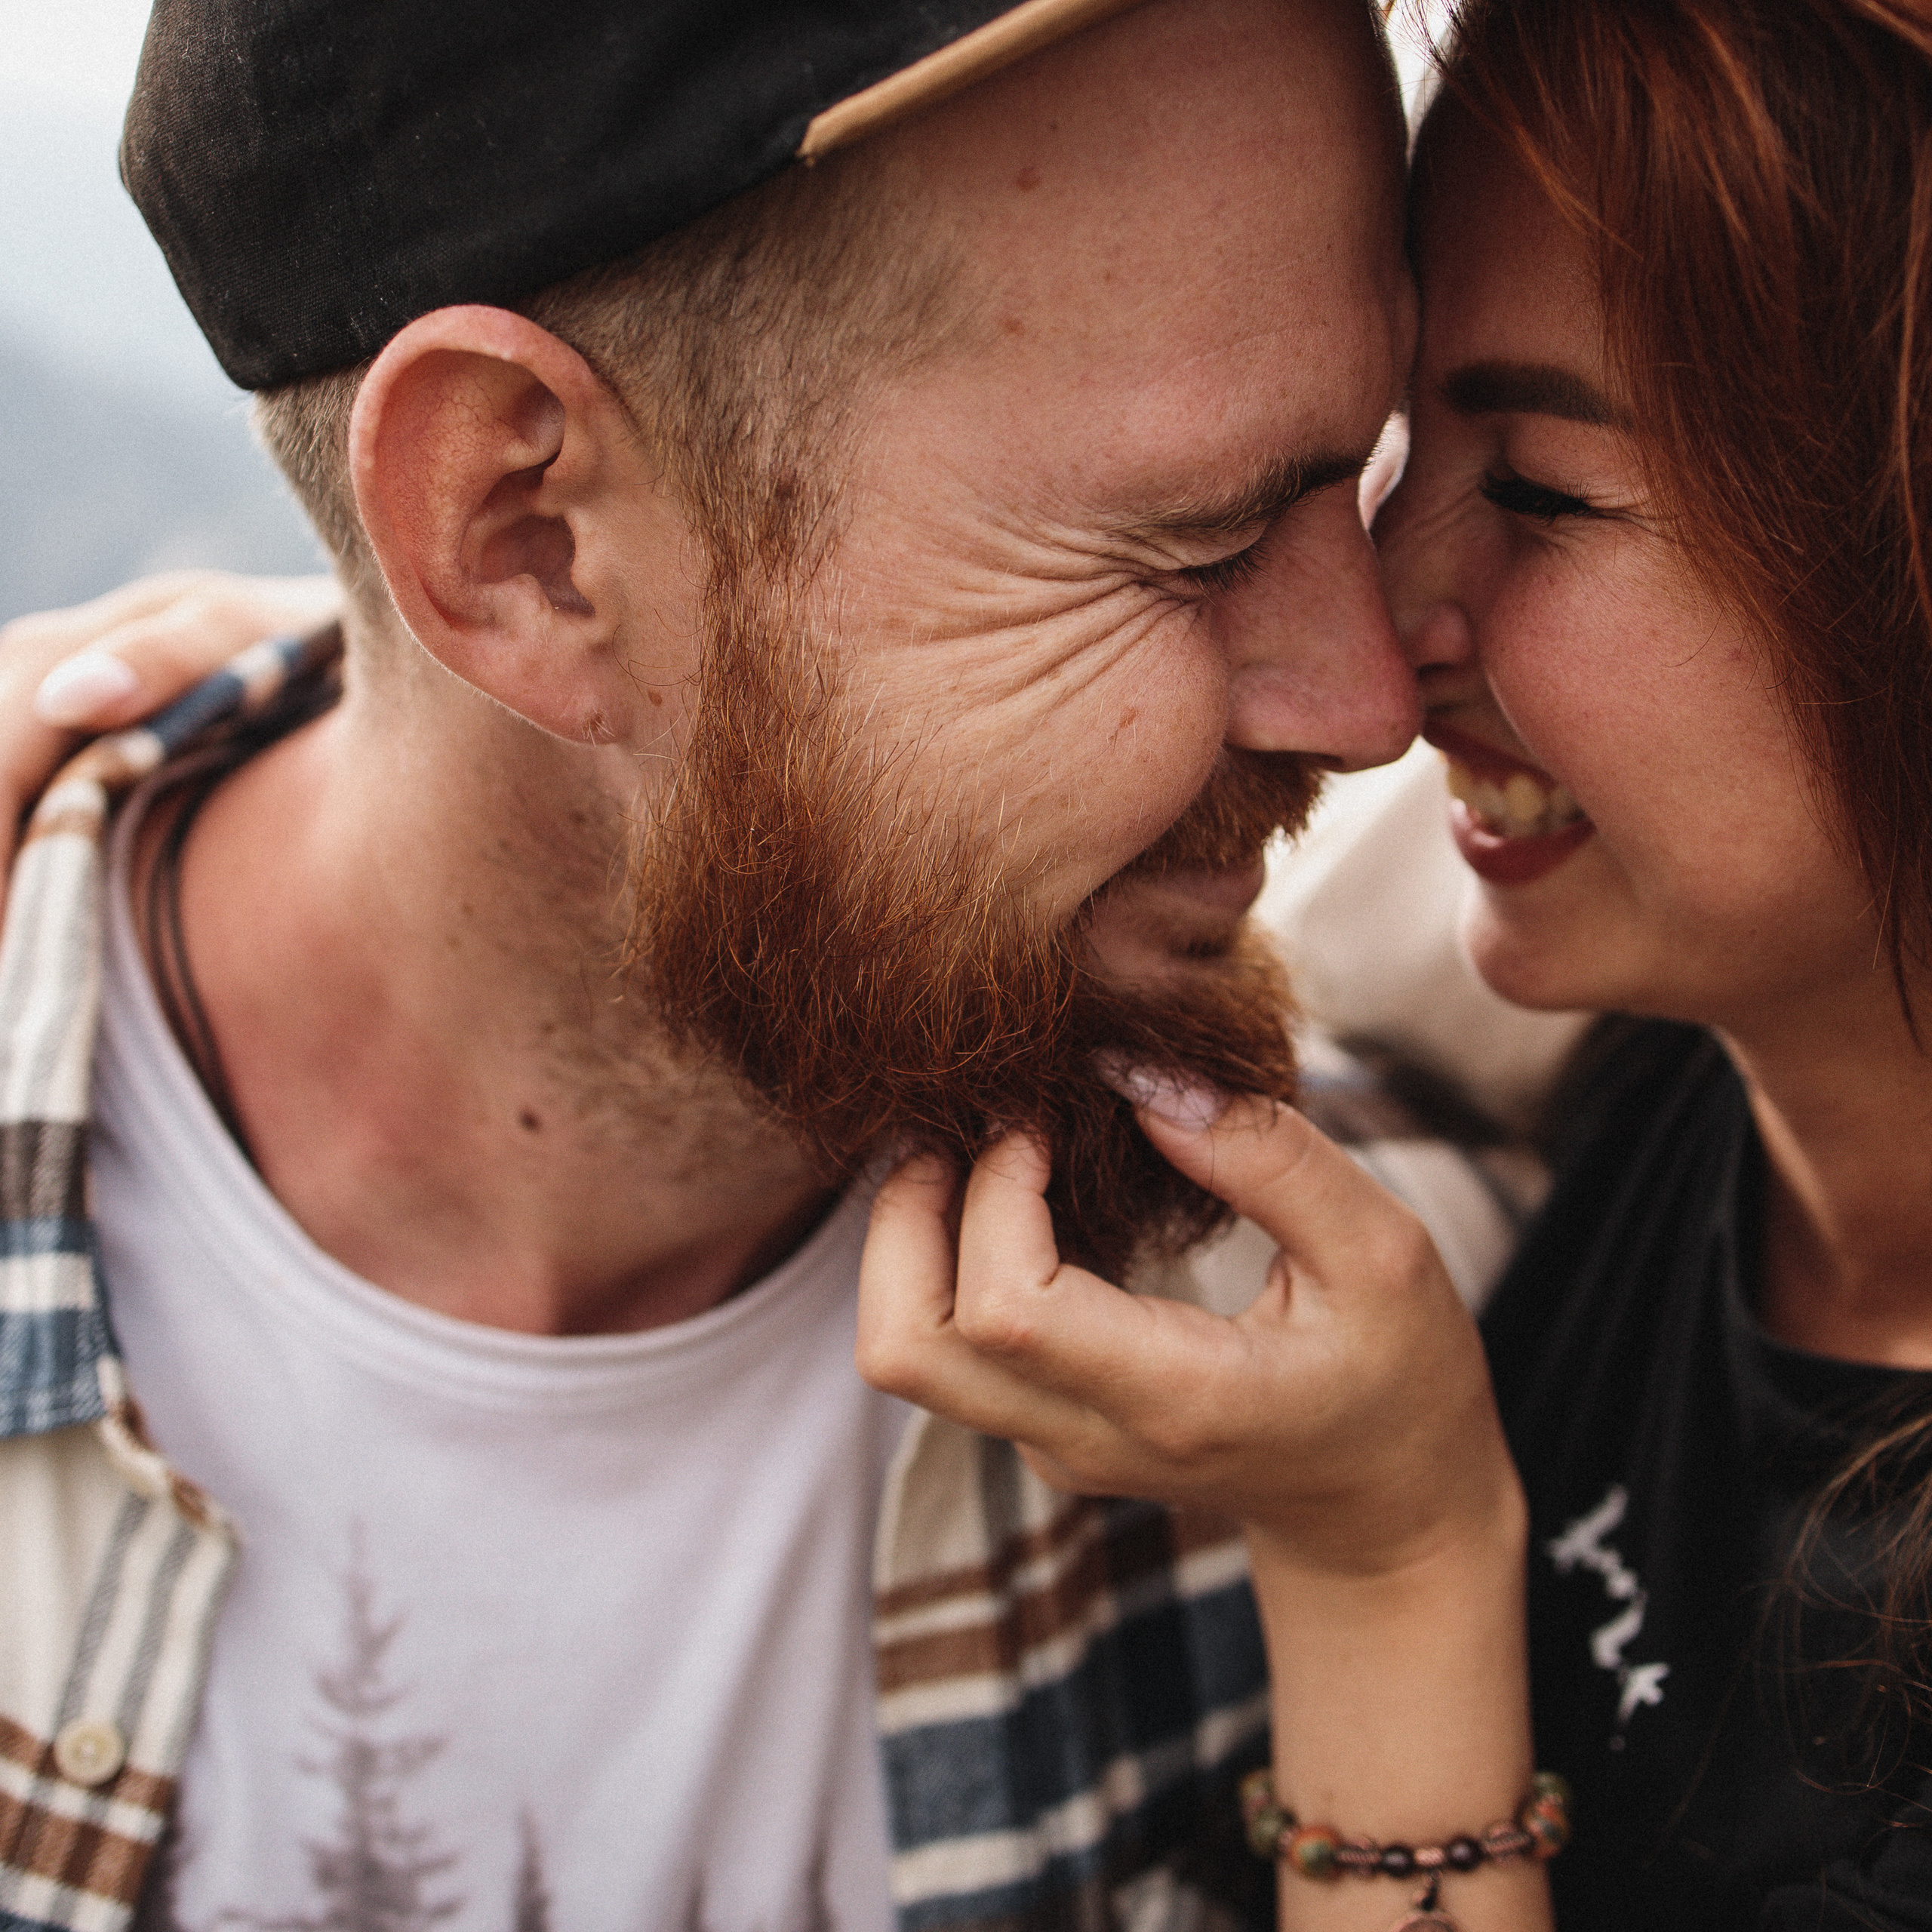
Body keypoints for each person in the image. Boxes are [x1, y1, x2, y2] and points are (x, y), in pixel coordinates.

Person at [0, 3, 1541, 1929]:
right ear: (524, 537)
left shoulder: (1400, 1342)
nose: (1372, 699)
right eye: (1200, 544)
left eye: (1366, 476)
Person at [855, 0, 1932, 1927]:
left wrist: (1387, 1556)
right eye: (1387, 450)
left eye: (1533, 487)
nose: (1375, 644)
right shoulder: (1629, 1031)